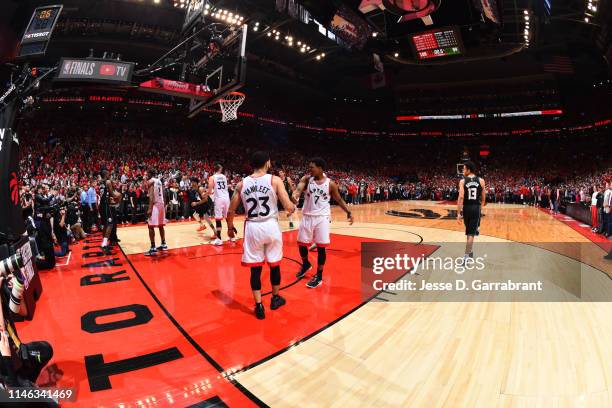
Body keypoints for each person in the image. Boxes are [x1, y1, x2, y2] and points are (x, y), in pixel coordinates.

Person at [227, 151, 295, 319]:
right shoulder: (275, 180)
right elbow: (288, 207)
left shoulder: (241, 184)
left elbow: (231, 210)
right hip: (270, 225)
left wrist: (229, 227)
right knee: (274, 265)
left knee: (255, 269)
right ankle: (275, 298)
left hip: (252, 228)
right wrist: (293, 205)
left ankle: (259, 306)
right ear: (267, 163)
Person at [293, 157, 354, 288]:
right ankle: (306, 264)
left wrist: (348, 212)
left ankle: (319, 276)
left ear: (320, 168)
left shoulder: (330, 184)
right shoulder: (306, 179)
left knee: (321, 247)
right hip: (307, 216)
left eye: (312, 167)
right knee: (301, 244)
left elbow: (339, 199)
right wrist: (295, 194)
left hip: (322, 217)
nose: (309, 169)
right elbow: (298, 189)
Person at [457, 161, 486, 260]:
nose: (462, 170)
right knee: (470, 233)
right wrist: (480, 208)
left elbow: (461, 197)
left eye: (464, 168)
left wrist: (458, 213)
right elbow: (483, 198)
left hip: (466, 207)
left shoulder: (462, 181)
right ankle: (468, 254)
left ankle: (468, 254)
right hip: (475, 207)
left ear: (469, 170)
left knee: (469, 233)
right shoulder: (481, 181)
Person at [208, 163, 236, 245]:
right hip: (226, 198)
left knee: (218, 219)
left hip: (219, 199)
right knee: (228, 218)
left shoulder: (212, 177)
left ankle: (219, 239)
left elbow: (210, 191)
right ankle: (232, 237)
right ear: (220, 169)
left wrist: (207, 193)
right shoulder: (224, 177)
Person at [144, 169, 168, 256]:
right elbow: (164, 193)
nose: (146, 176)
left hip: (155, 205)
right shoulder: (159, 181)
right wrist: (164, 204)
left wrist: (150, 208)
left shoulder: (151, 181)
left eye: (147, 174)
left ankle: (153, 248)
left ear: (150, 174)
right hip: (161, 203)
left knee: (150, 226)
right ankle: (163, 244)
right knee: (161, 225)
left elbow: (151, 196)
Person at [99, 170, 117, 255]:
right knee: (110, 224)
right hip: (105, 205)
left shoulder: (100, 182)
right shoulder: (108, 182)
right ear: (106, 174)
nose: (109, 175)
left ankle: (104, 242)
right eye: (108, 173)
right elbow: (112, 194)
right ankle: (104, 244)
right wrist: (119, 196)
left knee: (106, 225)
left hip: (101, 205)